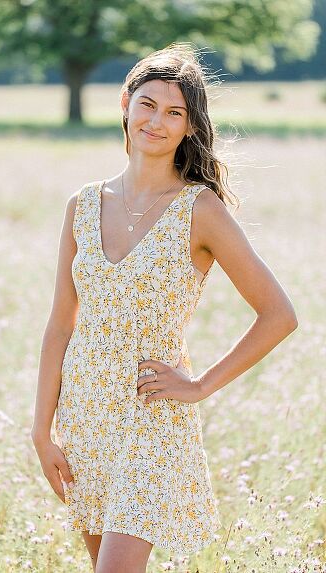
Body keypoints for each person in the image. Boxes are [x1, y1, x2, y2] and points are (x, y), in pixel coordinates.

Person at [31, 44, 297, 572]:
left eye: (175, 112)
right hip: (84, 416)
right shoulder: (82, 204)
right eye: (148, 104)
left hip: (151, 420)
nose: (157, 121)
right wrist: (42, 429)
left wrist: (199, 387)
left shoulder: (200, 210)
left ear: (190, 128)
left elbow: (279, 314)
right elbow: (61, 323)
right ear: (126, 103)